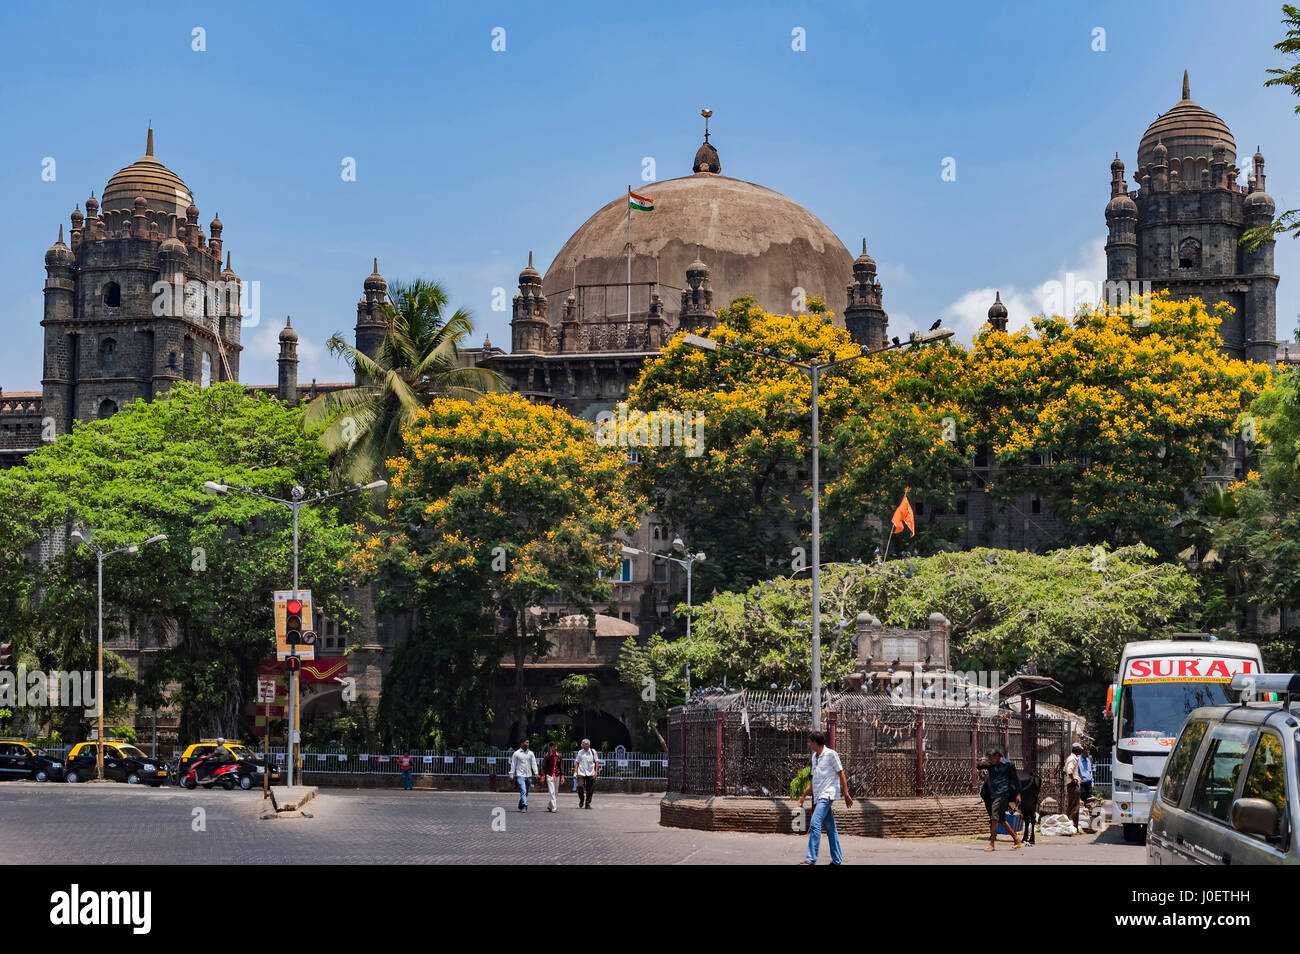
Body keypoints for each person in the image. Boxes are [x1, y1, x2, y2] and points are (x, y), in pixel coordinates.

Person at [796, 731, 853, 865]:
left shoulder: (831, 754)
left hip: (827, 795)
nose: (809, 744)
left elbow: (841, 773)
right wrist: (803, 796)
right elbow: (812, 782)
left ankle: (810, 859)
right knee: (831, 830)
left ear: (815, 742)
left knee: (815, 824)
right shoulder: (815, 757)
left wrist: (846, 793)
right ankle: (837, 861)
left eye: (810, 742)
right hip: (819, 796)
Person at [976, 747, 1022, 851]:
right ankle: (1016, 838)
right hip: (993, 794)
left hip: (1003, 794)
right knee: (1001, 819)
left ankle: (992, 844)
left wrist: (1018, 794)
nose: (989, 760)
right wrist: (981, 763)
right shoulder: (991, 765)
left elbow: (1016, 779)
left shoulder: (1008, 764)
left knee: (994, 818)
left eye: (991, 758)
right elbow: (978, 767)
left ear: (997, 756)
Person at [509, 738, 539, 812]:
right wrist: (511, 776)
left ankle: (520, 804)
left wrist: (536, 772)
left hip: (529, 775)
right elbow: (513, 765)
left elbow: (534, 763)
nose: (528, 744)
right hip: (520, 775)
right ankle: (524, 807)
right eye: (526, 742)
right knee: (523, 790)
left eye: (528, 743)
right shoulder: (516, 753)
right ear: (522, 743)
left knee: (526, 792)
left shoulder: (531, 753)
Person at [574, 738, 600, 809]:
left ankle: (587, 804)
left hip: (590, 773)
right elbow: (577, 762)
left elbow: (596, 762)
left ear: (587, 745)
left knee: (590, 789)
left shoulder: (593, 752)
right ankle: (581, 799)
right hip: (581, 772)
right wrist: (575, 772)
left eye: (582, 744)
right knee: (580, 786)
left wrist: (596, 772)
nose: (581, 745)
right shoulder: (580, 752)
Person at [1064, 742, 1083, 829]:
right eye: (1080, 749)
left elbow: (1064, 770)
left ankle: (1070, 825)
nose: (1081, 751)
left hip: (1071, 784)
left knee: (1072, 805)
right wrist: (1074, 779)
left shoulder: (1071, 758)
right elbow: (1069, 771)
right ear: (1077, 750)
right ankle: (1073, 826)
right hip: (1073, 785)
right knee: (1075, 806)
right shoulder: (1073, 759)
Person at [541, 742, 564, 812]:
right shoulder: (547, 756)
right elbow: (543, 766)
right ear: (551, 748)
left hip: (557, 775)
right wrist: (542, 775)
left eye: (556, 746)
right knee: (552, 792)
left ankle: (549, 805)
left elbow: (561, 766)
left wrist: (562, 776)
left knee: (556, 793)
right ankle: (554, 808)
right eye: (554, 747)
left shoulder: (559, 756)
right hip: (549, 775)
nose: (555, 748)